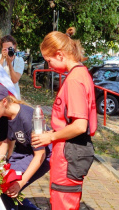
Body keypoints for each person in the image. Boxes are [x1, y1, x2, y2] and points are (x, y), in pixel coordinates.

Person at [31, 27, 97, 210]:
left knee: (63, 202)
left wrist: (50, 137)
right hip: (70, 148)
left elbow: (80, 125)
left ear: (60, 55)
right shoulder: (80, 73)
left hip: (70, 151)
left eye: (49, 60)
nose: (49, 65)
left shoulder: (75, 79)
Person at [0, 83, 51, 210]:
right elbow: (1, 149)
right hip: (22, 152)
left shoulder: (27, 117)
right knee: (1, 185)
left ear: (4, 102)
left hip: (42, 155)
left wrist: (20, 183)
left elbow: (40, 155)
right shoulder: (0, 117)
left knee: (9, 186)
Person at [0, 35, 24, 99]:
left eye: (9, 48)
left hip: (13, 94)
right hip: (0, 93)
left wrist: (9, 63)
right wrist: (2, 58)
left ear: (14, 46)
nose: (8, 51)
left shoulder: (19, 60)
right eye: (5, 49)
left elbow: (15, 80)